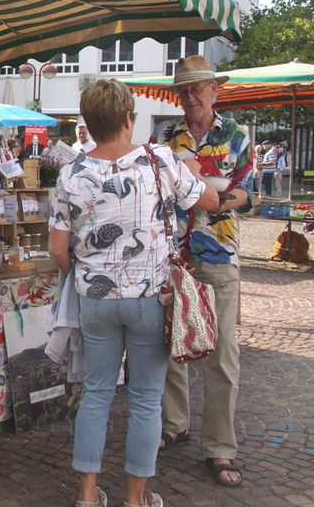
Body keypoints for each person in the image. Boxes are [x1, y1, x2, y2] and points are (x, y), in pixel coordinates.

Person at [49, 79, 219, 507]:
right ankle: (136, 499)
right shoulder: (159, 160)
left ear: (88, 124)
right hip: (151, 299)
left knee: (97, 393)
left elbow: (56, 248)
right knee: (145, 400)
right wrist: (198, 176)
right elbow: (209, 201)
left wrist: (84, 275)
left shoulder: (70, 174)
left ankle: (88, 496)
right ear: (129, 118)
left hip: (96, 302)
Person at [152, 55, 253, 489]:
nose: (191, 97)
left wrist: (209, 193)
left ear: (215, 90)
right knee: (169, 345)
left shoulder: (236, 135)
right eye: (184, 90)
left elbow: (249, 196)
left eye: (199, 88)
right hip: (171, 256)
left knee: (223, 355)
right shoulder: (164, 136)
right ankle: (174, 423)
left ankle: (220, 447)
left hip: (219, 255)